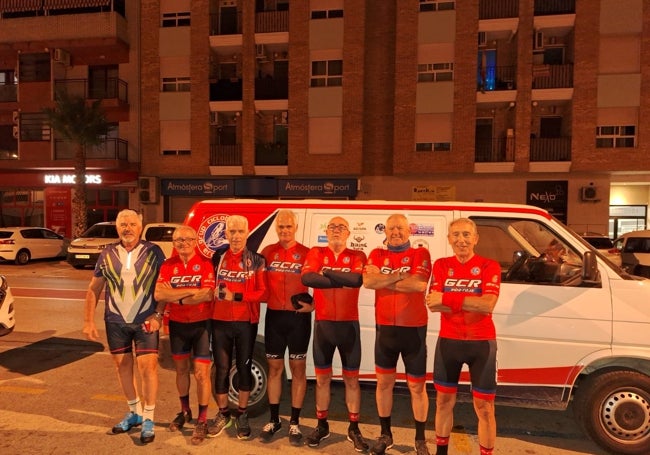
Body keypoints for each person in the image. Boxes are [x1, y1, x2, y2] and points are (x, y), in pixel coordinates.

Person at [82, 209, 165, 444]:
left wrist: (159, 315)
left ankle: (148, 417)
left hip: (145, 320)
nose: (127, 228)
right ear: (117, 227)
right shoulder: (107, 253)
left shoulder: (153, 251)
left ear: (140, 226)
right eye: (122, 224)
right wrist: (88, 320)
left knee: (148, 367)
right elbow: (94, 288)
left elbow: (164, 286)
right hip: (115, 321)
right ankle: (135, 412)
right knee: (122, 367)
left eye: (131, 224)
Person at [425, 218, 501, 455]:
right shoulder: (440, 265)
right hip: (449, 342)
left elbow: (488, 304)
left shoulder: (489, 266)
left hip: (482, 343)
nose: (461, 240)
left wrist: (448, 298)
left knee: (485, 407)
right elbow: (432, 304)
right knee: (443, 403)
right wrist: (470, 302)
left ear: (475, 239)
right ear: (449, 239)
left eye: (466, 235)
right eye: (456, 235)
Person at [362, 213, 432, 455]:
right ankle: (385, 435)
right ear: (385, 231)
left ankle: (420, 439)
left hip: (413, 330)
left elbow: (419, 285)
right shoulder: (376, 253)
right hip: (385, 330)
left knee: (417, 387)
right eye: (391, 228)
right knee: (384, 384)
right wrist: (400, 275)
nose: (396, 232)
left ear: (409, 230)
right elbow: (369, 282)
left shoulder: (420, 254)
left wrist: (385, 280)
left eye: (400, 228)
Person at [301, 216, 369, 452]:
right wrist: (341, 281)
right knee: (322, 379)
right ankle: (322, 425)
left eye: (341, 227)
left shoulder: (357, 256)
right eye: (332, 227)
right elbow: (308, 278)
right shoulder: (316, 252)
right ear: (326, 231)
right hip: (324, 326)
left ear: (349, 233)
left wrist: (327, 273)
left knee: (352, 379)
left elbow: (357, 279)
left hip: (349, 326)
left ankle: (354, 428)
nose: (337, 230)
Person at [208, 215, 268, 441]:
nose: (235, 236)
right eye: (231, 232)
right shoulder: (218, 257)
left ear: (247, 233)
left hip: (245, 322)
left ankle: (242, 414)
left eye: (240, 232)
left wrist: (237, 296)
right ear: (226, 234)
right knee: (222, 369)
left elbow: (264, 293)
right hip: (220, 321)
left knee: (244, 368)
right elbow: (207, 283)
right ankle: (224, 414)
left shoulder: (257, 259)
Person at [153, 225, 215, 445]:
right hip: (177, 325)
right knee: (180, 371)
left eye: (187, 239)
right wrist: (189, 292)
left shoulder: (206, 263)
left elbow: (207, 294)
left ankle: (203, 419)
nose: (182, 243)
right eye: (178, 240)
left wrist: (175, 296)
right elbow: (159, 293)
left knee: (201, 374)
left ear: (195, 241)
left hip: (201, 326)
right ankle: (185, 411)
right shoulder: (168, 265)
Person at [259, 210, 313, 446]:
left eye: (288, 226)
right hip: (274, 318)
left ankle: (294, 422)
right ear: (276, 228)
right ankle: (274, 420)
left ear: (296, 227)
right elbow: (257, 282)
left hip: (298, 319)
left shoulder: (307, 253)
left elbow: (321, 284)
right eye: (280, 226)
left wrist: (314, 306)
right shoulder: (267, 252)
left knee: (298, 369)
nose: (284, 230)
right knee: (274, 369)